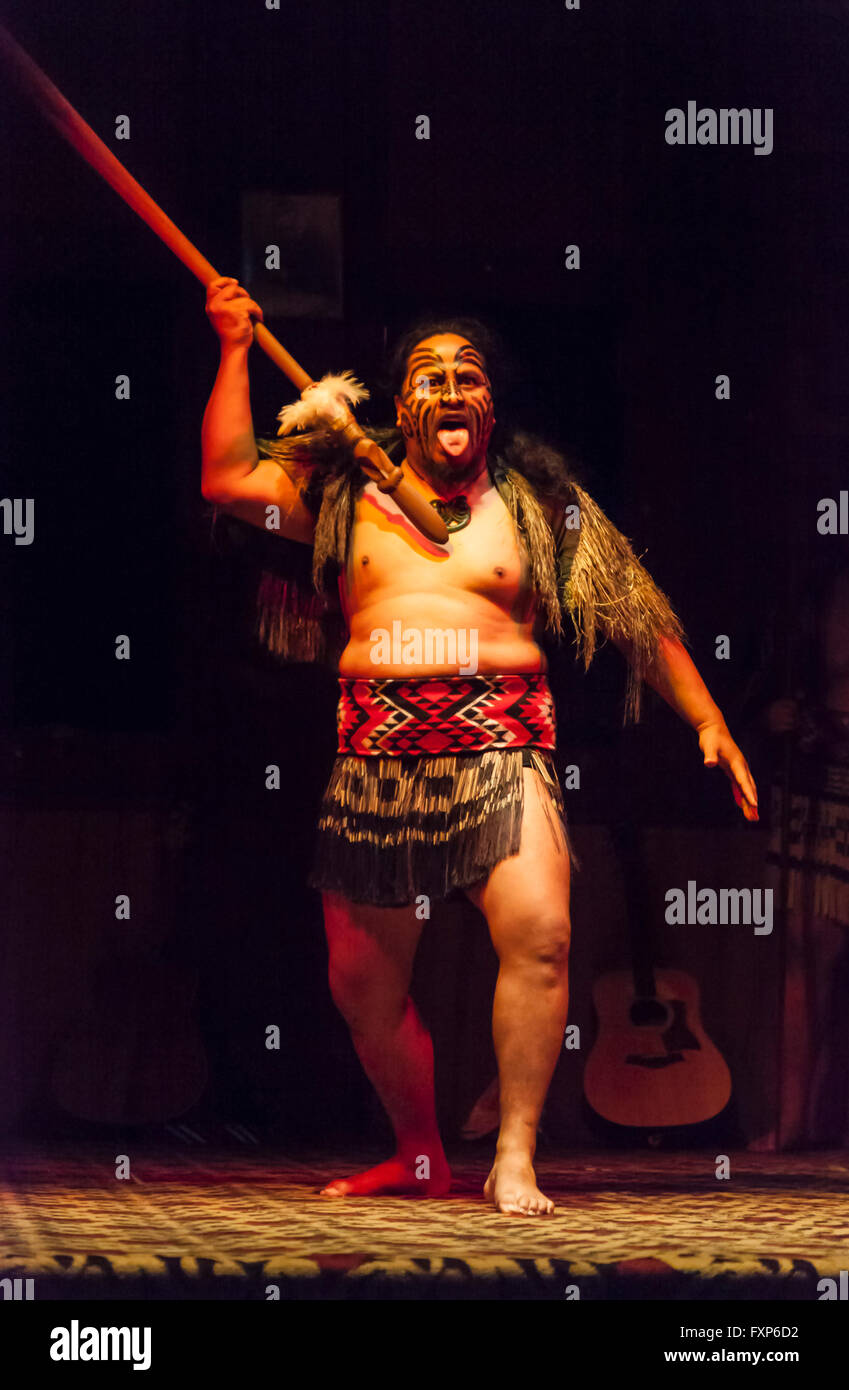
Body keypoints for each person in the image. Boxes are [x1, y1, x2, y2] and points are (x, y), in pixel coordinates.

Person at [201, 275, 759, 1215]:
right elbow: (225, 482)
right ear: (402, 408)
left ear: (490, 406)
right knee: (360, 988)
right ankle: (419, 1152)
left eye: (468, 375)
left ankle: (513, 1156)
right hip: (377, 755)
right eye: (429, 376)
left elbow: (631, 614)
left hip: (502, 747)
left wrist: (707, 719)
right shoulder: (344, 498)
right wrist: (231, 350)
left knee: (540, 937)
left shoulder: (540, 507)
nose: (450, 388)